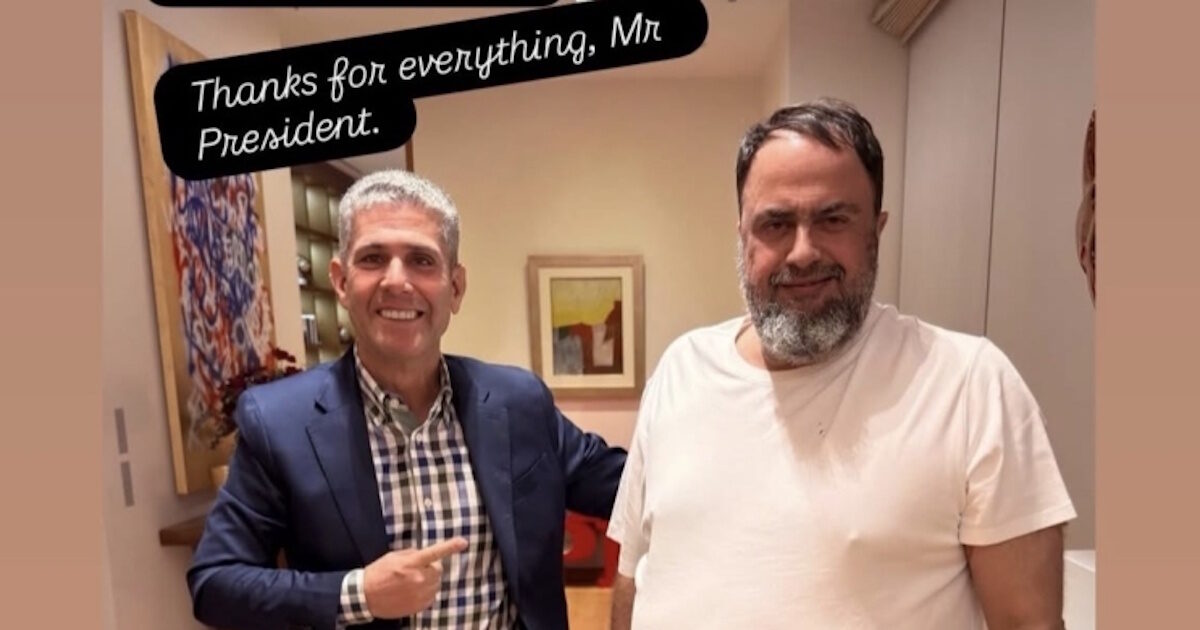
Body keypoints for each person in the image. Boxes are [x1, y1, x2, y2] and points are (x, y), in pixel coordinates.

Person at [607, 98, 1077, 630]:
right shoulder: (679, 372)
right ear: (743, 235)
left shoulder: (970, 385)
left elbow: (1028, 622)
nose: (803, 252)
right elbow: (633, 576)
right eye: (775, 223)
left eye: (832, 219)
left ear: (875, 230)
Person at [187, 169, 627, 630]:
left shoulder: (519, 403)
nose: (397, 280)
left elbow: (631, 487)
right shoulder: (278, 422)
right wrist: (357, 593)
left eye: (421, 260)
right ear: (340, 281)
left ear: (455, 288)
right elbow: (215, 583)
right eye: (373, 258)